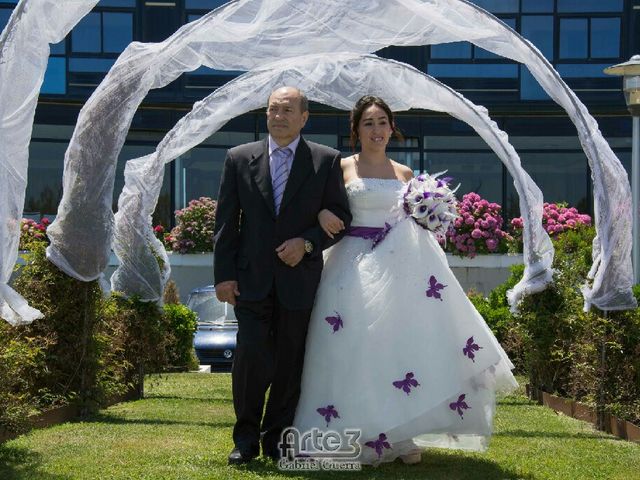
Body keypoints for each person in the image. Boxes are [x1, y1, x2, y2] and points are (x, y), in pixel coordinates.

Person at [293, 95, 517, 465]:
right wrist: (320, 217)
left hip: (398, 271)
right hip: (351, 265)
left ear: (391, 128)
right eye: (368, 123)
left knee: (395, 350)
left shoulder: (406, 174)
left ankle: (398, 433)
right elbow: (318, 204)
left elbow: (415, 225)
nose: (376, 130)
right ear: (356, 130)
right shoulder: (340, 167)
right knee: (351, 349)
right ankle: (352, 433)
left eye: (382, 122)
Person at [213, 86, 351, 465]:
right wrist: (223, 276)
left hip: (299, 281)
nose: (278, 116)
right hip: (250, 281)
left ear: (304, 117)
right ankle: (244, 439)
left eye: (287, 110)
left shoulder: (325, 161)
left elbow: (342, 217)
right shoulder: (238, 158)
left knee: (291, 362)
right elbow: (226, 223)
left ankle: (276, 439)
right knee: (251, 357)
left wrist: (307, 243)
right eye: (273, 109)